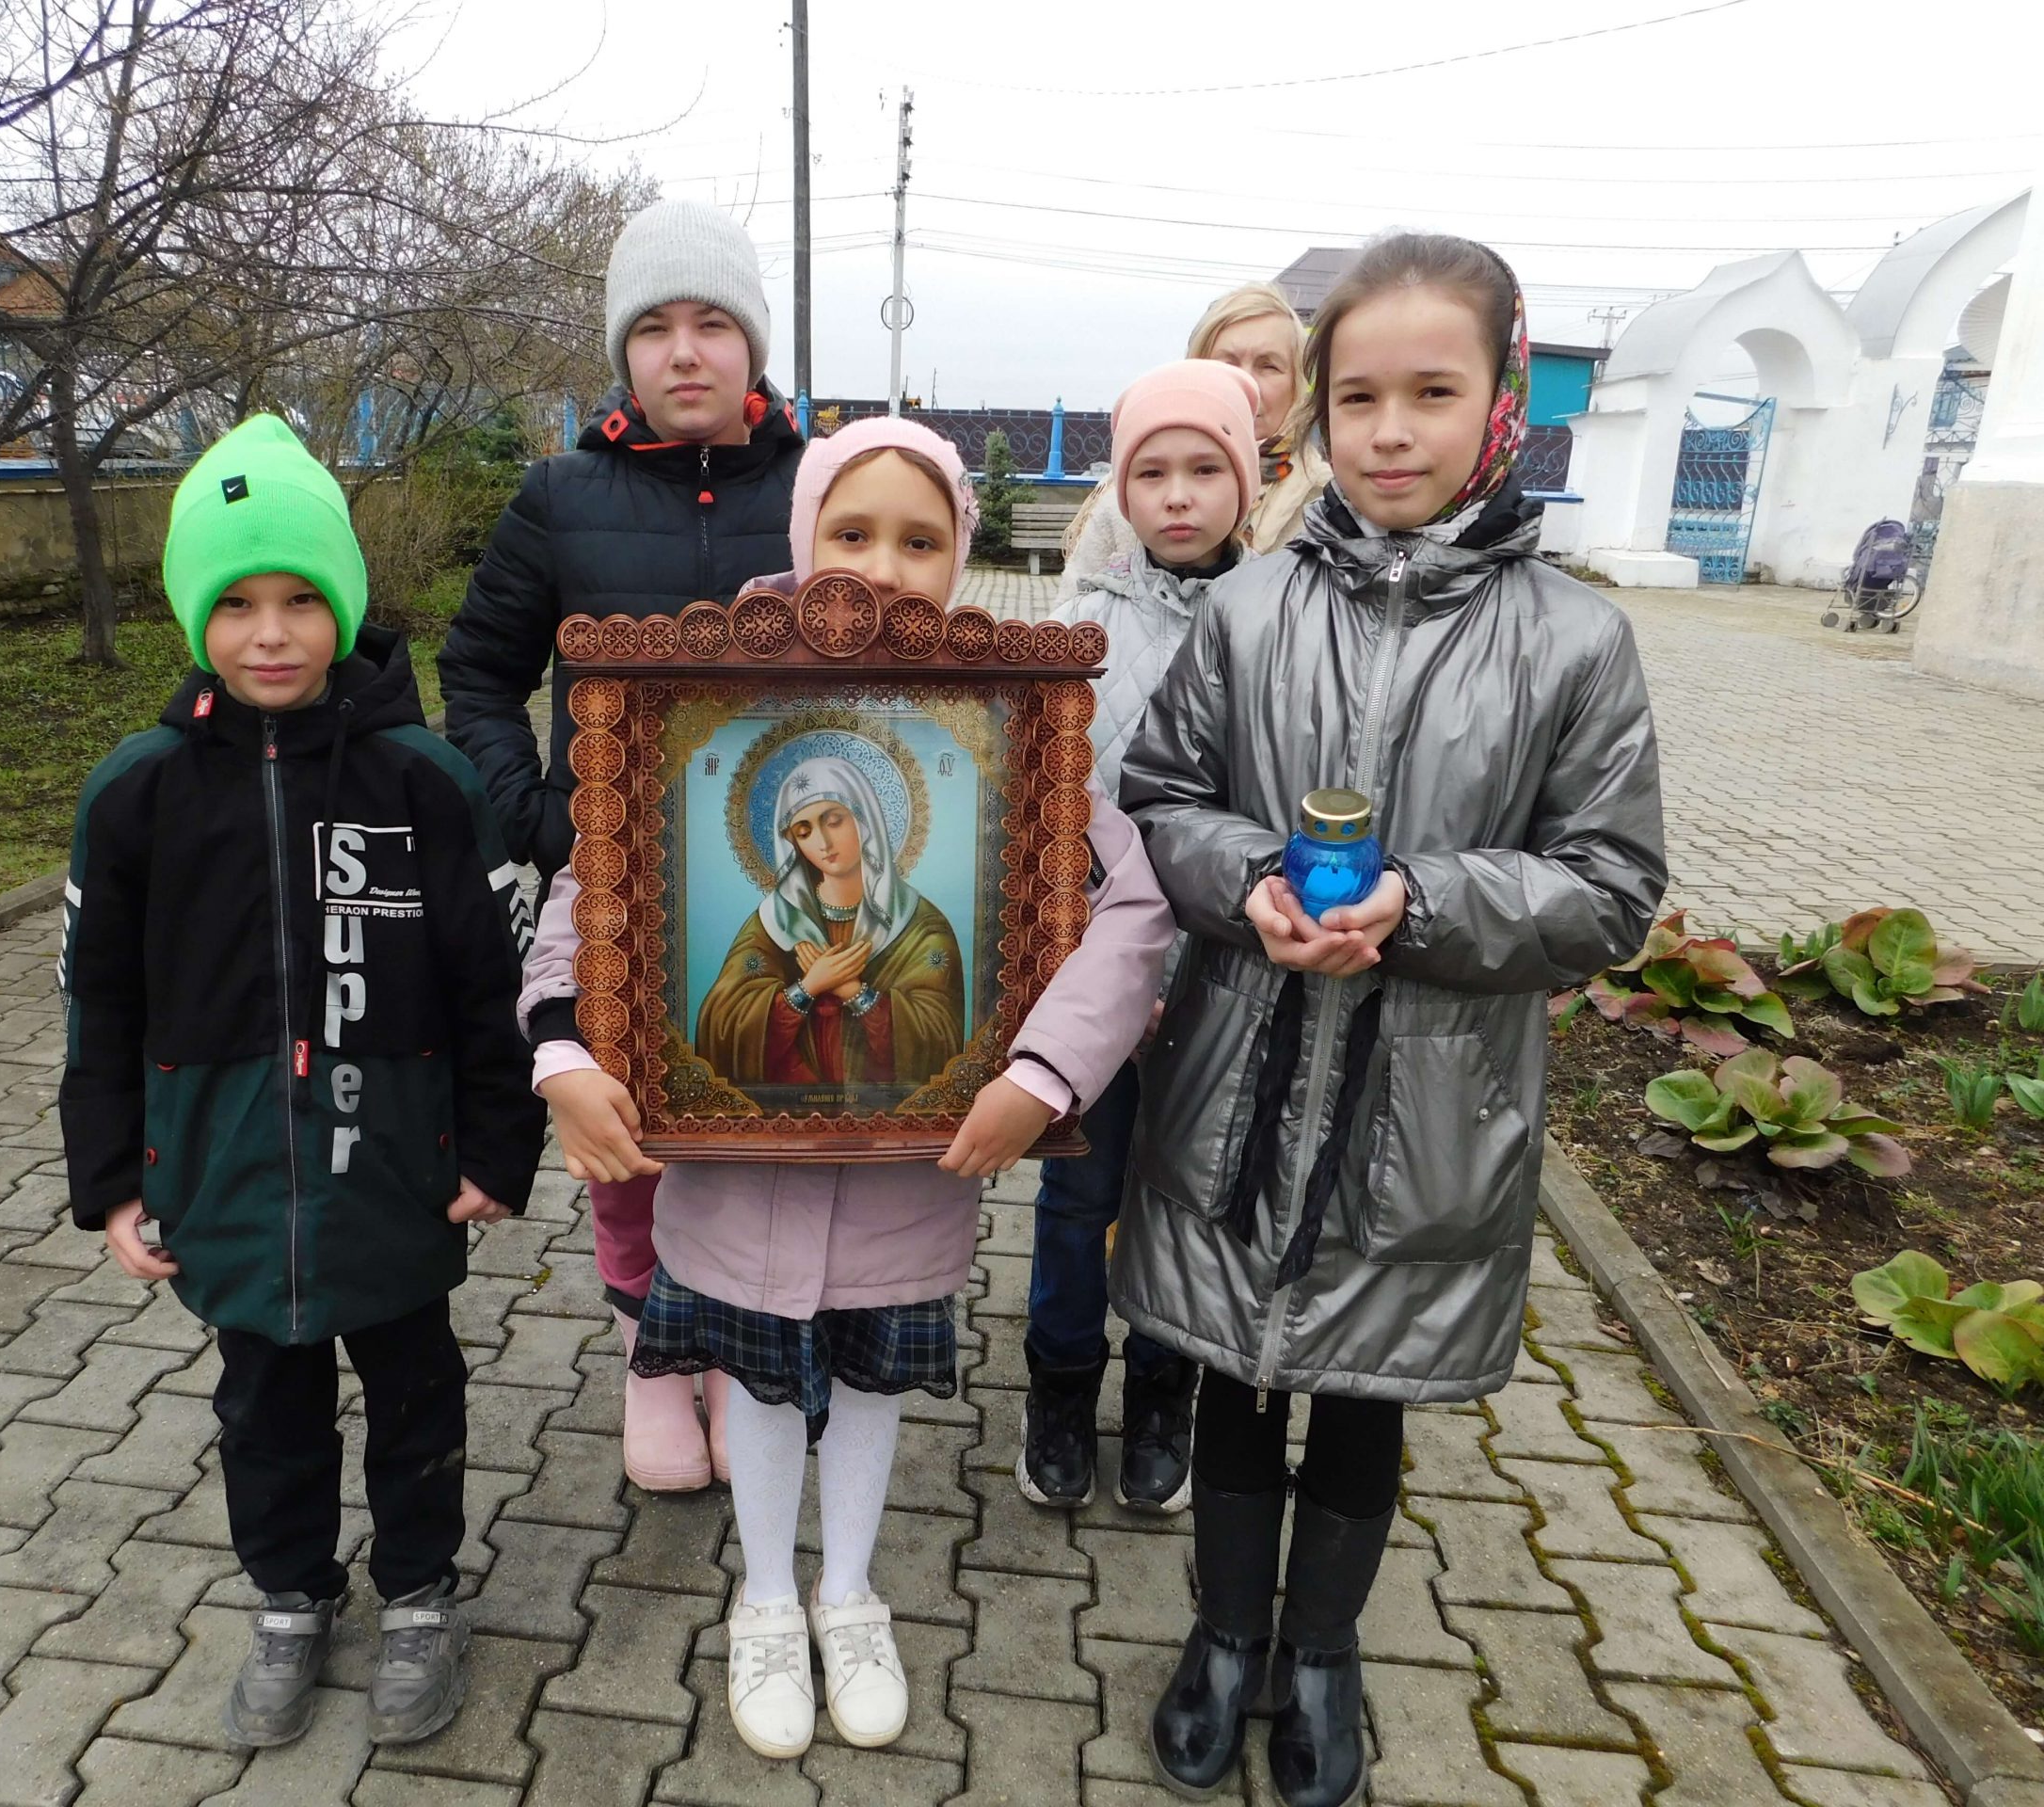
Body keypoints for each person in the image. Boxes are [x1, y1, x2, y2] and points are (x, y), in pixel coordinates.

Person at [522, 417, 1175, 1762]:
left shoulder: (1000, 729)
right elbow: (601, 894)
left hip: (903, 1177)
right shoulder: (698, 698)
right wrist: (568, 1048)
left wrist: (1038, 1069)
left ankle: (851, 1591)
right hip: (735, 1176)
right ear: (802, 540)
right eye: (852, 532)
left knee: (872, 1382)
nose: (881, 567)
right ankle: (768, 1596)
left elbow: (1131, 906)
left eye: (920, 541)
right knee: (760, 1384)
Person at [1114, 234, 1667, 1806]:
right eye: (1358, 396)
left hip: (1433, 1101)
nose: (1392, 431)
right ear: (1315, 413)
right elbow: (1163, 795)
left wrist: (1421, 903)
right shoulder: (1249, 610)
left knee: (1365, 1388)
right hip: (1242, 1071)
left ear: (1504, 405)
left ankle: (1321, 1653)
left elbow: (1612, 889)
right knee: (1238, 1366)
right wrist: (1249, 885)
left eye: (1434, 391)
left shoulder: (1575, 640)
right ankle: (1225, 1632)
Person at [57, 414, 547, 1754]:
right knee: (264, 1409)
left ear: (343, 605)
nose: (270, 634)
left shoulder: (428, 782)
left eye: (299, 600)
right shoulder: (136, 794)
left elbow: (492, 987)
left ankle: (419, 1594)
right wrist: (112, 1181)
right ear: (193, 616)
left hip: (390, 1164)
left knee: (416, 1394)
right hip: (221, 1174)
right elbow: (97, 1007)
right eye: (236, 604)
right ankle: (290, 1597)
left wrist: (496, 1149)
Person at [441, 197, 806, 1496]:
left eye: (712, 322)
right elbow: (478, 672)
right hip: (615, 894)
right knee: (627, 1141)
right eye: (654, 327)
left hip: (782, 885)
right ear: (622, 352)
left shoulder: (815, 486)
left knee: (760, 1122)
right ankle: (654, 1356)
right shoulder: (560, 498)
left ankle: (740, 1355)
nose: (684, 351)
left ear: (752, 343)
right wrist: (543, 814)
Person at [1020, 358, 1264, 1518]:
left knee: (1185, 1202)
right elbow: (1040, 809)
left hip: (1222, 985)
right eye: (1150, 471)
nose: (1175, 494)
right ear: (1119, 487)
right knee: (1077, 1202)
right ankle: (1059, 1392)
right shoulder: (1080, 627)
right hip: (1095, 985)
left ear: (1245, 483)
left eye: (1203, 469)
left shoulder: (1277, 626)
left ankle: (1164, 1398)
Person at [693, 754, 966, 1089]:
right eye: (804, 832)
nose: (823, 843)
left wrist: (850, 989)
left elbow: (939, 1036)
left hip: (879, 1109)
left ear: (864, 819)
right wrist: (809, 987)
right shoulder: (775, 922)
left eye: (834, 821)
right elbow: (722, 1028)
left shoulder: (922, 927)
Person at [1060, 282, 1332, 588]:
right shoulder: (1123, 500)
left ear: (1297, 384)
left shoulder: (1326, 503)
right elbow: (1075, 608)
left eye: (1268, 366)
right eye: (1226, 364)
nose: (1247, 382)